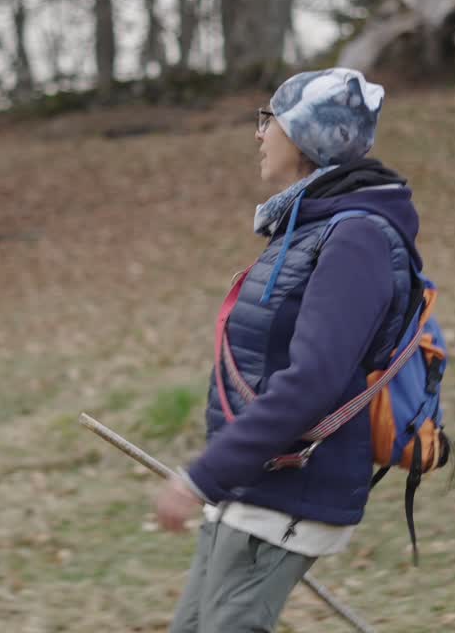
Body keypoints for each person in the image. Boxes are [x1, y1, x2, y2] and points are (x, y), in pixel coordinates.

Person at [153, 68, 424, 632]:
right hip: (253, 487)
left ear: (306, 135)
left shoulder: (356, 238)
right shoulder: (306, 225)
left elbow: (312, 382)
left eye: (268, 119)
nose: (258, 134)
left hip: (291, 493)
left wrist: (203, 476)